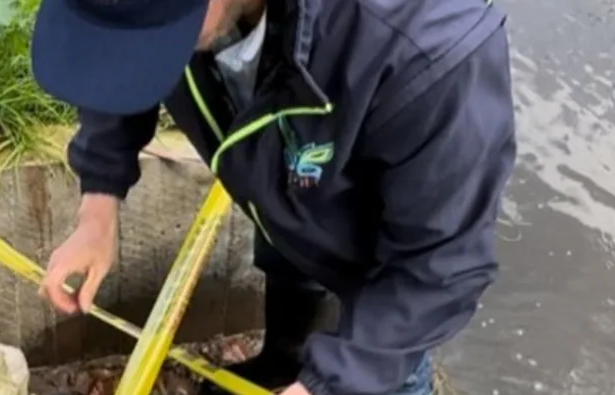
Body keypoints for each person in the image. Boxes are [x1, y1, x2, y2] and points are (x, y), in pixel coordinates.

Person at [29, 0, 517, 393]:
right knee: (289, 268)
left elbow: (440, 270)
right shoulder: (193, 18)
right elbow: (115, 72)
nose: (135, 54)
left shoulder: (434, 53)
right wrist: (98, 208)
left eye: (155, 35)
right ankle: (281, 363)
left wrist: (328, 386)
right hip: (288, 192)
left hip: (383, 265)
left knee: (383, 365)